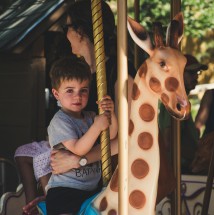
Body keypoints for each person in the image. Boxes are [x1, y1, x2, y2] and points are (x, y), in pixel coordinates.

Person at [14, 1, 135, 214]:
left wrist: (78, 160)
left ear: (80, 30)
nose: (78, 95)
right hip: (81, 167)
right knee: (32, 156)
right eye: (70, 91)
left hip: (105, 163)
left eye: (66, 27)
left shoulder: (120, 71)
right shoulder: (79, 73)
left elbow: (127, 136)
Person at [44, 56, 117, 214]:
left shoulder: (90, 116)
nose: (78, 96)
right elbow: (78, 149)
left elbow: (111, 137)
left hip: (90, 189)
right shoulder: (60, 122)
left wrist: (111, 113)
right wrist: (97, 126)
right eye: (70, 90)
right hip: (64, 192)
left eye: (83, 90)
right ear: (56, 94)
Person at [158, 54, 208, 174]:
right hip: (181, 168)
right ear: (178, 74)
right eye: (191, 73)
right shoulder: (174, 101)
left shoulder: (182, 101)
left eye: (198, 73)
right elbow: (169, 141)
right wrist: (196, 155)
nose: (196, 77)